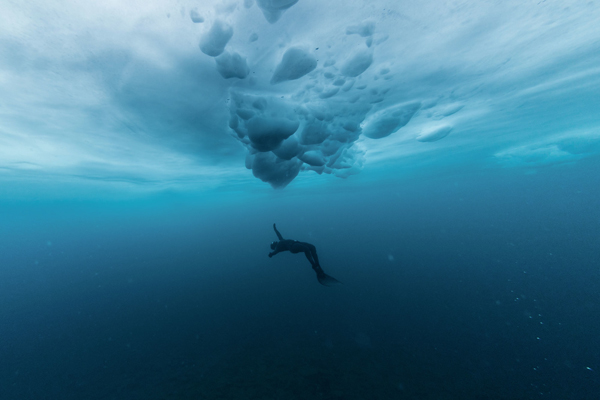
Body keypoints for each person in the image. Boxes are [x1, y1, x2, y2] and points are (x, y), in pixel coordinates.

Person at [269, 223, 341, 286]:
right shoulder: (278, 247)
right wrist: (271, 254)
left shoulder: (281, 240)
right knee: (306, 249)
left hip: (297, 243)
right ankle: (314, 265)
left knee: (312, 247)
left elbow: (278, 234)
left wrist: (275, 228)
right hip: (293, 247)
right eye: (273, 243)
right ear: (274, 246)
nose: (274, 241)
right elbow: (275, 252)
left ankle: (317, 264)